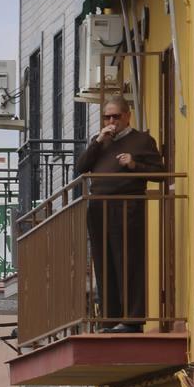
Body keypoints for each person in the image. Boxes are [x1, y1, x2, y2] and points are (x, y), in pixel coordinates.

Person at [73, 95, 165, 332]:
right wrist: (98, 142)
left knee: (128, 261)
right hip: (99, 207)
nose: (111, 121)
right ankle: (110, 319)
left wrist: (134, 165)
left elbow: (160, 174)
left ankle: (133, 321)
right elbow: (81, 168)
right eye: (107, 117)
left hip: (127, 206)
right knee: (104, 263)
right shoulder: (100, 141)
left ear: (127, 116)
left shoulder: (142, 140)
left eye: (116, 116)